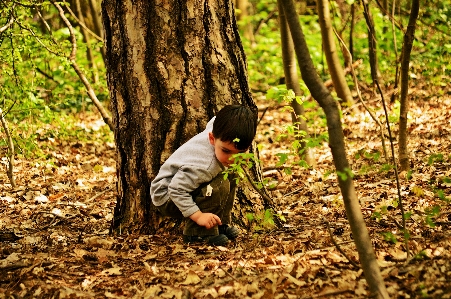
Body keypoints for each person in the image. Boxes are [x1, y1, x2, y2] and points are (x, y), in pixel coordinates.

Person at [150, 105, 257, 246]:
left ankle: (219, 223)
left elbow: (214, 120)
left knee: (230, 175)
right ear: (212, 138)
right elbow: (176, 189)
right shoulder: (205, 166)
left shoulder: (218, 127)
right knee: (220, 185)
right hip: (167, 196)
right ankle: (197, 233)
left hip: (184, 185)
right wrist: (198, 216)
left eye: (240, 152)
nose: (232, 158)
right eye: (226, 151)